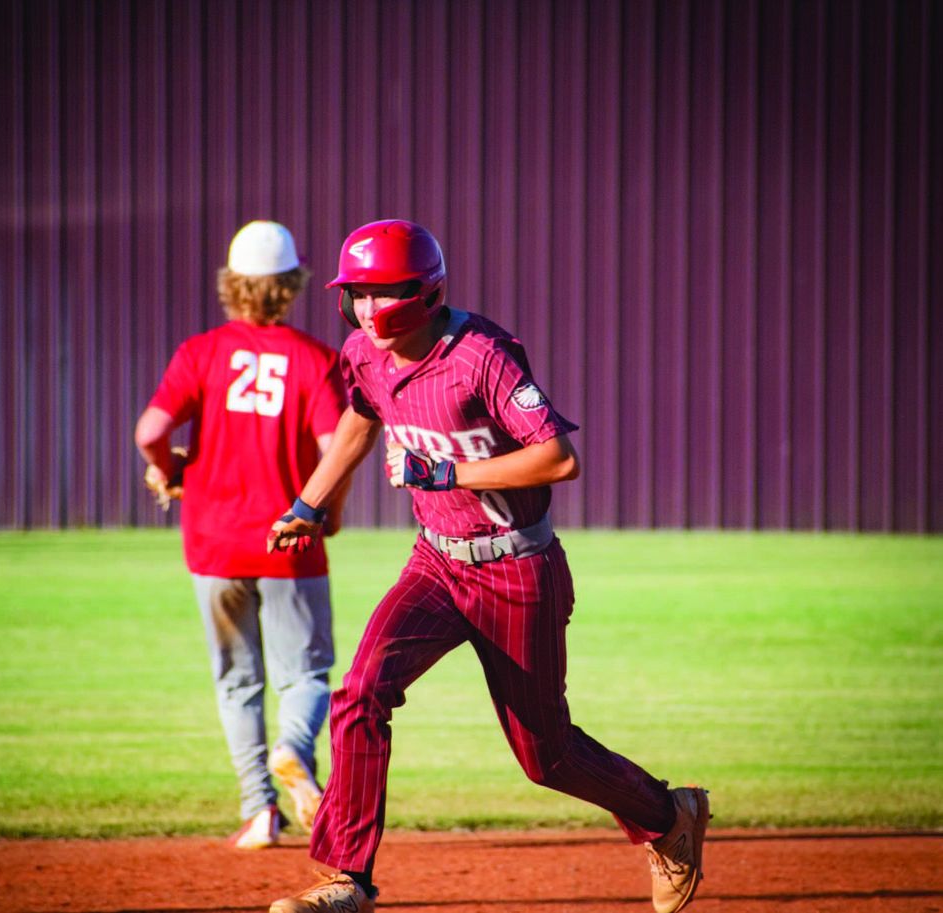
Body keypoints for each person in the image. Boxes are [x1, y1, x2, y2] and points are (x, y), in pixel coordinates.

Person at [265, 219, 709, 913]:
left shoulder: (481, 355)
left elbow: (560, 457)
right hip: (436, 563)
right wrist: (308, 504)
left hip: (517, 569)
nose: (369, 308)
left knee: (547, 755)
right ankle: (344, 878)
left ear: (423, 291)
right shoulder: (363, 353)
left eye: (383, 292)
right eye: (357, 293)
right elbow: (360, 416)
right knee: (360, 690)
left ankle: (667, 814)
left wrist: (450, 470)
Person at [134, 220, 350, 849]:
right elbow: (337, 449)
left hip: (213, 542)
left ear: (231, 284)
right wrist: (327, 515)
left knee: (237, 680)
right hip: (289, 541)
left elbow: (150, 429)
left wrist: (170, 470)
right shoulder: (316, 359)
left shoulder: (201, 352)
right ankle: (294, 747)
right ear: (293, 285)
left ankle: (259, 809)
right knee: (306, 676)